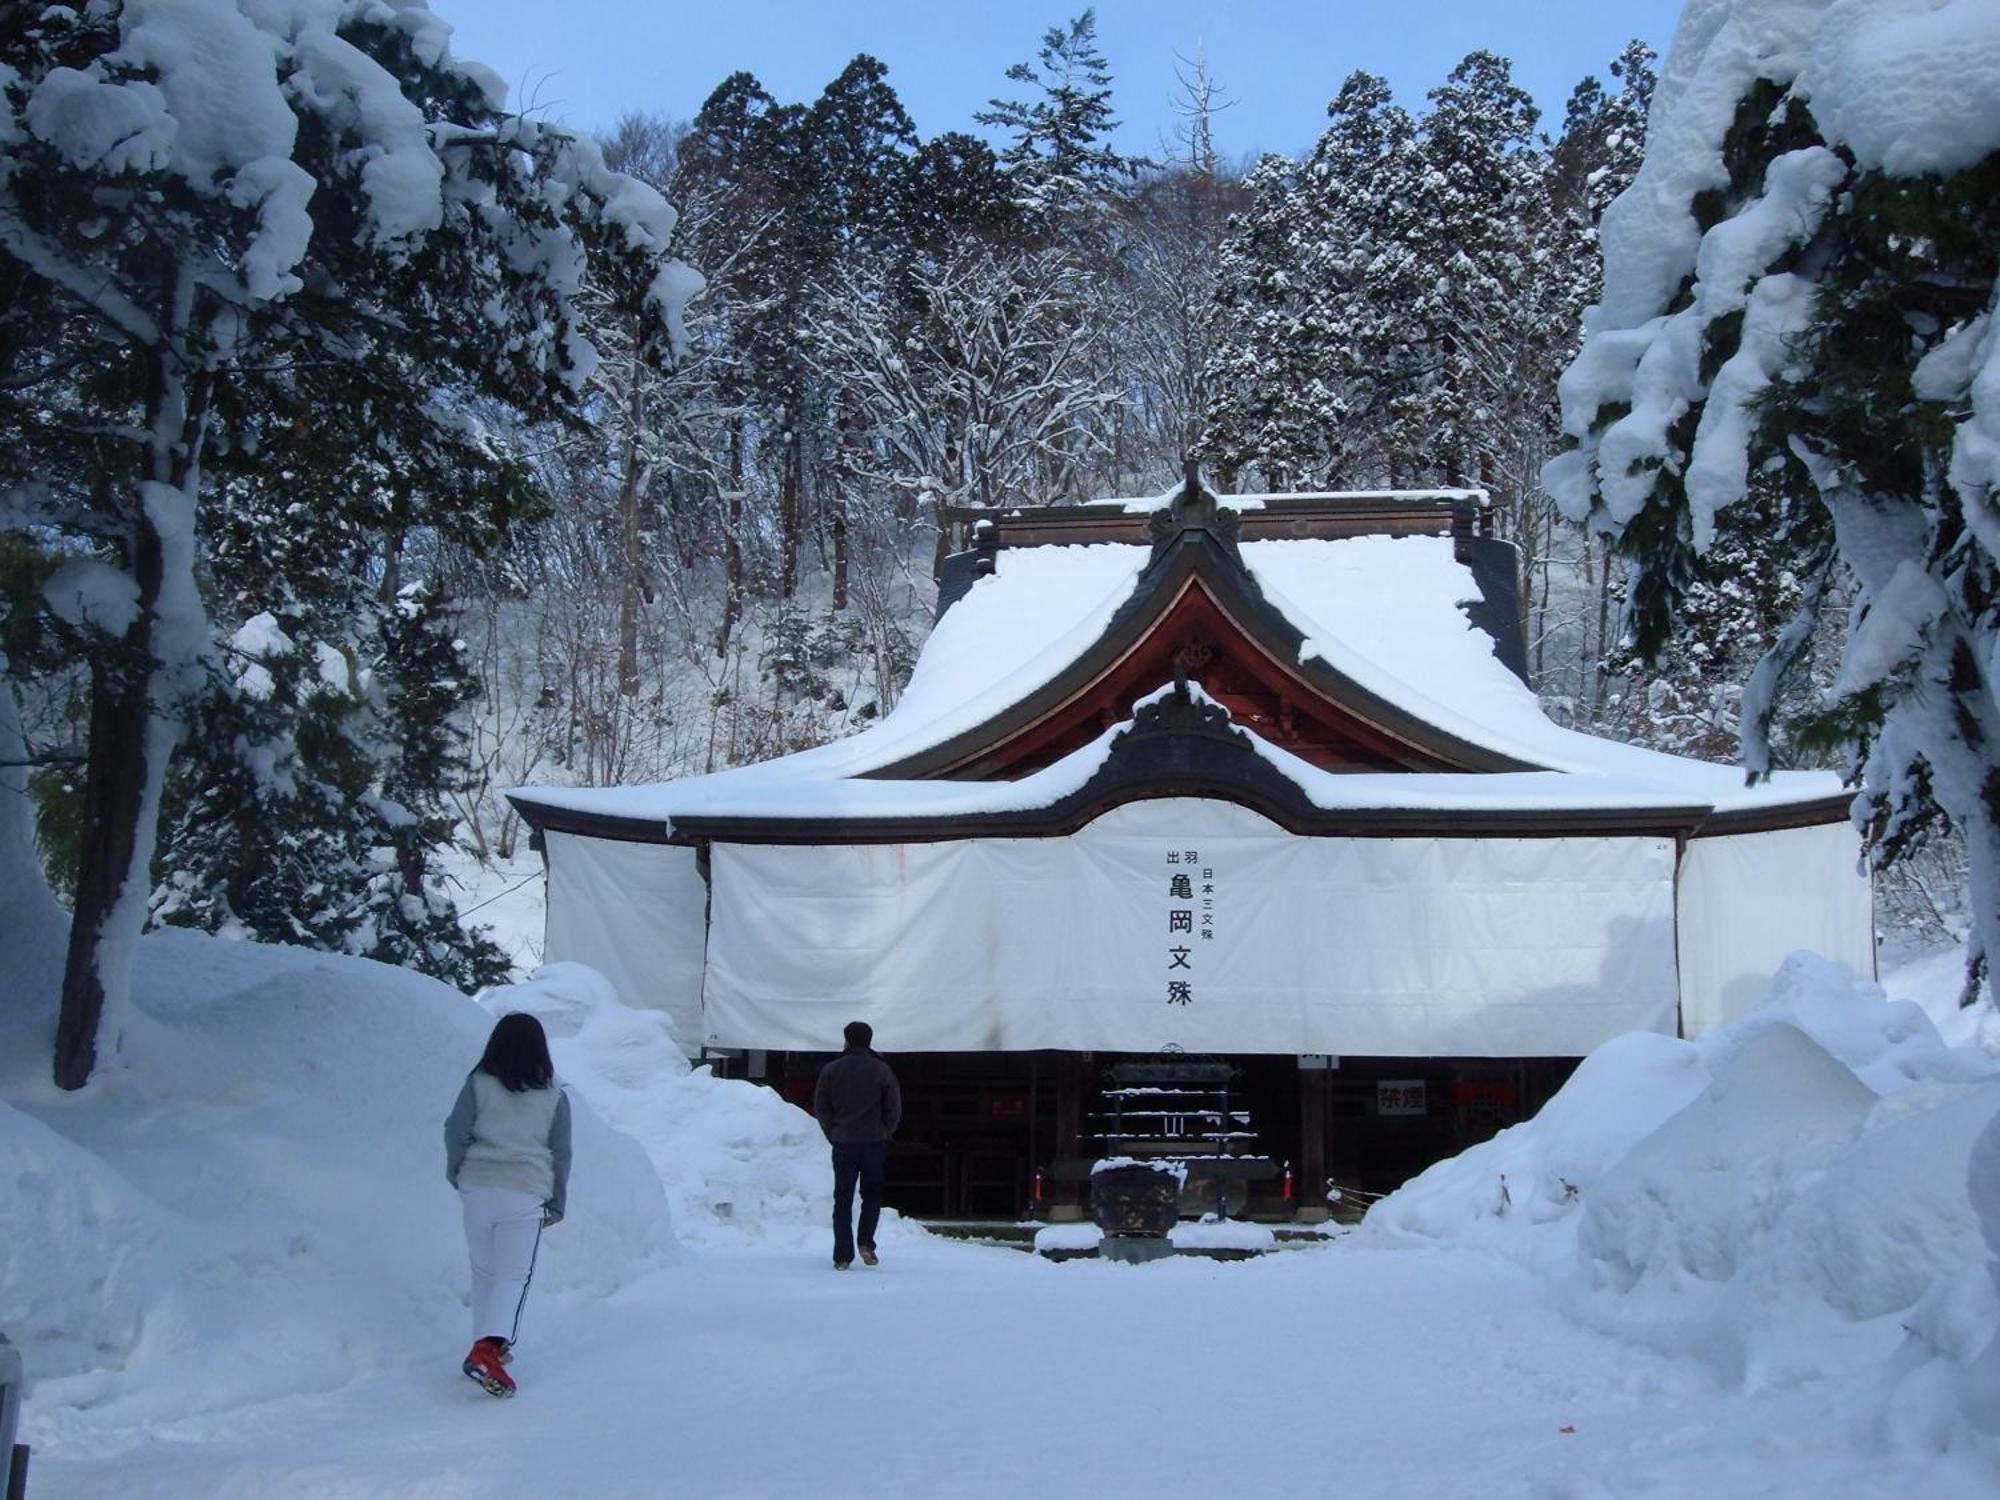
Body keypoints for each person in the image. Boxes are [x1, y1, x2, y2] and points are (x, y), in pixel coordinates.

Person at [444, 1012, 571, 1398]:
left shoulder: (477, 1085)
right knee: (513, 1276)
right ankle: (489, 1349)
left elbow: (455, 1130)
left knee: (484, 1271)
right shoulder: (554, 1096)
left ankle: (482, 1347)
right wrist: (558, 1202)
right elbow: (561, 1152)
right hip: (525, 1192)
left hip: (478, 1187)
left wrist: (457, 1173)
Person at [813, 1020, 901, 1271]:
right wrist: (885, 1131)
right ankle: (866, 1243)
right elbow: (893, 1107)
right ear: (869, 1040)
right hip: (874, 1142)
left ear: (847, 1039)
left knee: (842, 1198)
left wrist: (833, 1132)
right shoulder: (882, 1070)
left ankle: (842, 1256)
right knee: (871, 1195)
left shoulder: (831, 1070)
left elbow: (822, 1106)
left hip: (843, 1142)